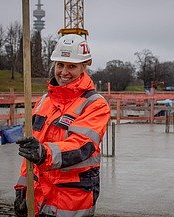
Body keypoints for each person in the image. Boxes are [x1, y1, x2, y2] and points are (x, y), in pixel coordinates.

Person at [13, 34, 111, 217]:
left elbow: (82, 145)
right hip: (38, 195)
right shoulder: (44, 101)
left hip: (69, 197)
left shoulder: (95, 104)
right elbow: (29, 150)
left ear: (84, 67)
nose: (64, 72)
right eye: (60, 65)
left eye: (71, 66)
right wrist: (22, 188)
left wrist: (44, 153)